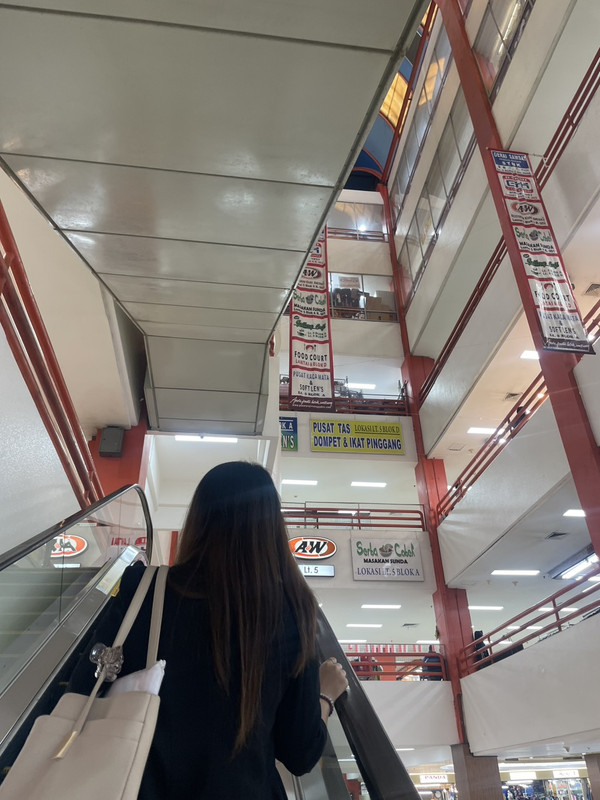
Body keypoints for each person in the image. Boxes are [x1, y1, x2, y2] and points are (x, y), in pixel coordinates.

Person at [69, 461, 348, 799]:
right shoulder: (292, 611)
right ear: (272, 529)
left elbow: (82, 688)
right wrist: (325, 695)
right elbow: (299, 753)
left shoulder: (144, 589)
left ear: (198, 520)